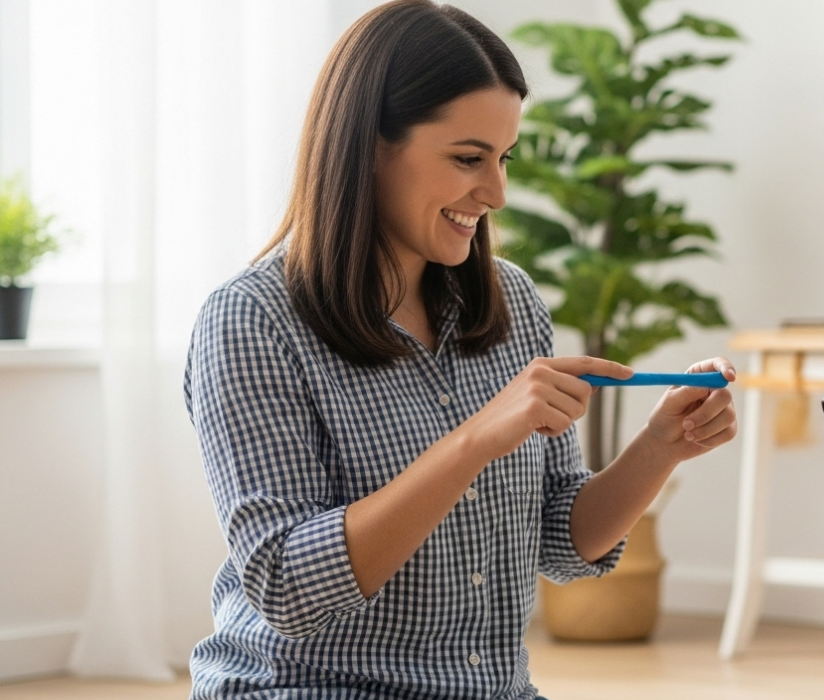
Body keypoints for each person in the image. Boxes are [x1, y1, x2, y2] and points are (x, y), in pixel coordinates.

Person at [182, 2, 738, 697]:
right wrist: (474, 439)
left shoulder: (512, 303)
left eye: (503, 159)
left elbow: (561, 544)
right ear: (369, 147)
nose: (497, 191)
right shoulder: (251, 321)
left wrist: (662, 446)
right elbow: (287, 587)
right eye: (469, 159)